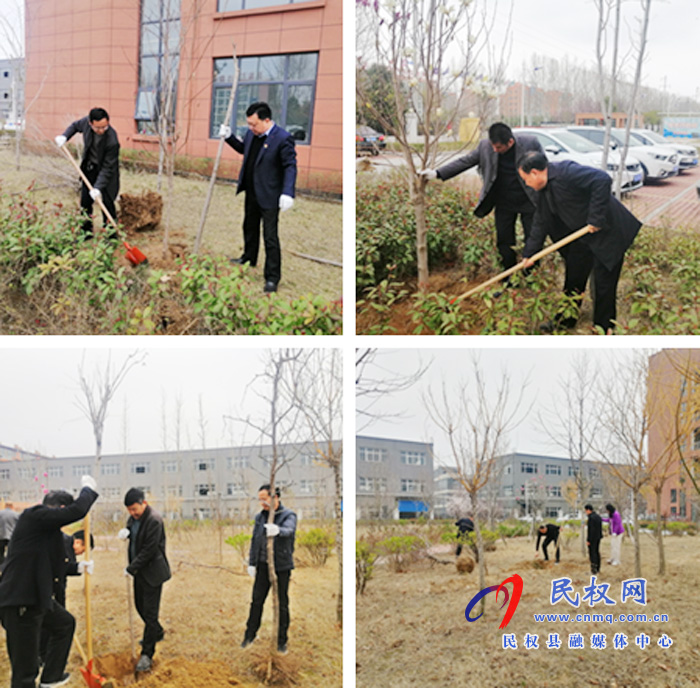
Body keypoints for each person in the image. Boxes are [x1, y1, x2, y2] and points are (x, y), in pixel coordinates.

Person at [517, 151, 642, 333]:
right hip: (583, 235)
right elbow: (540, 222)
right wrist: (530, 254)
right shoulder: (543, 192)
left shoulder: (566, 172)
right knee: (574, 275)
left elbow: (602, 179)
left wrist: (595, 218)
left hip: (609, 231)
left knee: (603, 285)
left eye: (526, 179)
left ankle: (603, 328)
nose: (526, 184)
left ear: (535, 173)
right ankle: (566, 319)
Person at [0, 477, 98, 688]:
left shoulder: (48, 533)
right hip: (20, 601)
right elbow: (77, 511)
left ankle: (51, 678)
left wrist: (77, 568)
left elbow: (51, 564)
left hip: (38, 598)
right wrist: (88, 490)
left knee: (64, 624)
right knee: (25, 673)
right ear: (59, 508)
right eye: (64, 511)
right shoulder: (34, 516)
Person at [420, 122, 544, 271]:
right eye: (493, 146)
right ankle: (508, 277)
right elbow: (465, 161)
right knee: (504, 242)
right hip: (503, 202)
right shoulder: (486, 146)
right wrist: (438, 173)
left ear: (510, 142)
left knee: (532, 241)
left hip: (529, 200)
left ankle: (532, 277)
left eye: (498, 147)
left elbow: (544, 168)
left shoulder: (530, 143)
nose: (494, 150)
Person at [219, 102, 298, 293]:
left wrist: (288, 192)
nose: (251, 128)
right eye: (249, 124)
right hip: (252, 190)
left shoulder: (283, 138)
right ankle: (249, 257)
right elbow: (243, 149)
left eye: (254, 124)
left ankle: (272, 278)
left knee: (270, 237)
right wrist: (229, 137)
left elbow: (290, 166)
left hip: (270, 194)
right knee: (249, 226)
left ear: (267, 120)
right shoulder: (251, 134)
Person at [118, 488, 171, 673]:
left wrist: (131, 568)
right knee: (140, 606)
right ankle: (156, 631)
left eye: (134, 509)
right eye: (129, 510)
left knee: (149, 613)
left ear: (143, 503)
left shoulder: (154, 520)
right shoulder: (134, 518)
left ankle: (147, 654)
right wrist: (126, 532)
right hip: (139, 572)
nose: (132, 513)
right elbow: (132, 532)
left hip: (152, 573)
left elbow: (149, 550)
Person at [241, 484, 297, 655]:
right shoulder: (260, 517)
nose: (262, 503)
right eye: (260, 500)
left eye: (264, 499)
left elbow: (289, 530)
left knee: (282, 604)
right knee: (256, 601)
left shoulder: (288, 515)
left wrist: (277, 530)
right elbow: (255, 540)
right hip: (263, 566)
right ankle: (249, 635)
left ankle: (282, 642)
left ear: (275, 497)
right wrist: (252, 562)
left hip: (281, 567)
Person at [54, 107, 120, 237]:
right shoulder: (85, 123)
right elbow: (74, 126)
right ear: (90, 123)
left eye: (104, 127)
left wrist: (98, 187)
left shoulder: (112, 140)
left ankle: (111, 234)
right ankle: (86, 232)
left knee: (107, 203)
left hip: (107, 173)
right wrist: (65, 136)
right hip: (89, 169)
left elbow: (108, 167)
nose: (101, 130)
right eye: (97, 128)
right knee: (85, 202)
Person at [585, 504, 603, 574]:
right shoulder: (598, 516)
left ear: (588, 510)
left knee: (592, 554)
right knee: (597, 552)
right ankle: (598, 569)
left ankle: (593, 570)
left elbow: (591, 530)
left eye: (586, 511)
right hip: (598, 537)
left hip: (593, 538)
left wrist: (589, 540)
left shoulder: (591, 518)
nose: (586, 512)